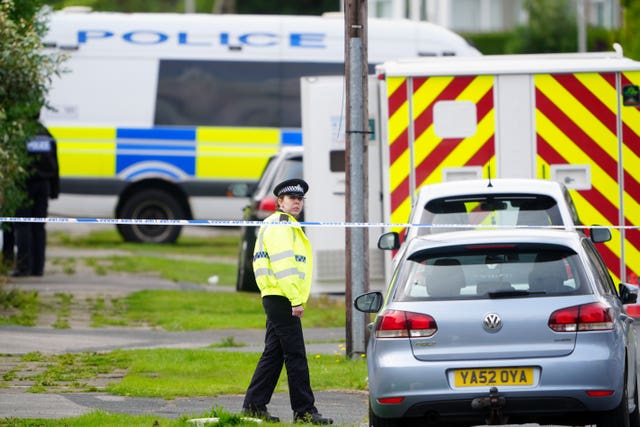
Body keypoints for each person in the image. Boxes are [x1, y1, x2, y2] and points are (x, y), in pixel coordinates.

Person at [242, 178, 333, 425]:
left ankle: (253, 406)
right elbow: (284, 266)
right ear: (279, 202)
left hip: (276, 294)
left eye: (300, 199)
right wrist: (295, 299)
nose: (297, 203)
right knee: (296, 355)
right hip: (282, 296)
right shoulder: (282, 225)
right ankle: (304, 412)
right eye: (292, 199)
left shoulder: (281, 224)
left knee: (274, 354)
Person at [11, 121, 60, 277]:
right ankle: (38, 268)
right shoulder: (45, 134)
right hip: (43, 185)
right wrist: (54, 189)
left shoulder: (20, 132)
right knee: (39, 227)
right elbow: (55, 163)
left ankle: (24, 267)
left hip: (24, 185)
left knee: (22, 226)